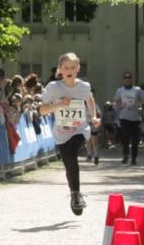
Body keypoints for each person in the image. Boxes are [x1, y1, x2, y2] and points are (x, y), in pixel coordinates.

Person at [39, 52, 100, 215]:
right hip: (61, 133)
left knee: (72, 154)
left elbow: (89, 99)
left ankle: (76, 195)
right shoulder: (54, 87)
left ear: (78, 68)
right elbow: (42, 110)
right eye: (66, 68)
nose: (69, 71)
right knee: (68, 163)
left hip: (80, 129)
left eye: (73, 67)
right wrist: (59, 104)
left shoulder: (84, 86)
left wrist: (94, 116)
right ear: (60, 69)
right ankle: (74, 194)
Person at [113, 71, 144, 165]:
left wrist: (142, 106)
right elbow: (116, 101)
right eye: (125, 77)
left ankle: (134, 158)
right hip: (124, 117)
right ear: (124, 79)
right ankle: (126, 155)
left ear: (132, 79)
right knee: (125, 138)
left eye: (129, 77)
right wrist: (118, 105)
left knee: (135, 139)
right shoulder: (120, 90)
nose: (127, 79)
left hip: (135, 118)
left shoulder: (137, 90)